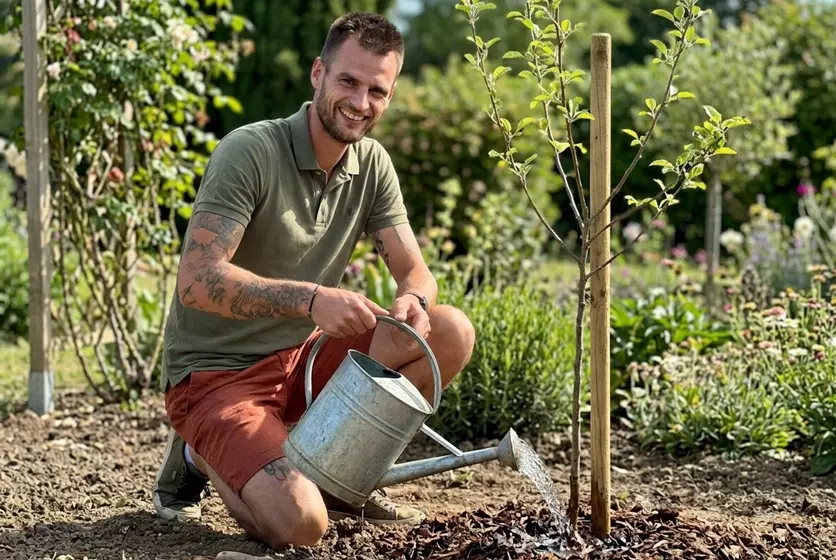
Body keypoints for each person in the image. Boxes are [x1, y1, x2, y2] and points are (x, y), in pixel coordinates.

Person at [151, 11, 476, 551]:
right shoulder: (250, 151)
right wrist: (310, 299)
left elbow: (414, 268)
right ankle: (198, 453)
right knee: (303, 527)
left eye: (377, 90)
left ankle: (345, 480)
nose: (361, 102)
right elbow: (197, 281)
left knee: (448, 332)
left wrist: (414, 298)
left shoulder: (371, 164)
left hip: (302, 363)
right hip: (217, 377)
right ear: (318, 73)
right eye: (349, 81)